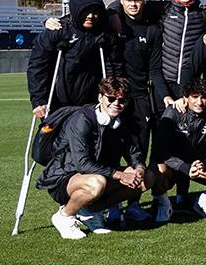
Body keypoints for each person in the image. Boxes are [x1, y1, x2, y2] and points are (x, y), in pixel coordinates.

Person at [37, 77, 153, 240]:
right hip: (65, 176)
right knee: (97, 183)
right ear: (100, 97)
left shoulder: (121, 122)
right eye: (111, 98)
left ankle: (90, 211)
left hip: (99, 174)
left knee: (147, 177)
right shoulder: (81, 120)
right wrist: (121, 175)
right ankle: (64, 216)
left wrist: (139, 168)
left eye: (122, 100)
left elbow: (134, 153)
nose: (116, 104)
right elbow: (82, 164)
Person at [106, 0, 165, 222]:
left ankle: (133, 203)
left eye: (138, 0)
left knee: (138, 152)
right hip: (114, 98)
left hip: (140, 98)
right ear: (121, 0)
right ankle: (109, 205)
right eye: (129, 0)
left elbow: (154, 69)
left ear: (144, 0)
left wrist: (166, 97)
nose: (133, 4)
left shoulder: (151, 29)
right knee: (109, 152)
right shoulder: (112, 23)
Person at [151, 79, 206, 221]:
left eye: (203, 97)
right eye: (195, 97)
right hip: (175, 167)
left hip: (201, 166)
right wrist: (184, 167)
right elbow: (160, 150)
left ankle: (203, 201)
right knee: (156, 167)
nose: (200, 102)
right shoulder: (173, 112)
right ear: (185, 98)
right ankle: (165, 205)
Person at [28, 0, 120, 118]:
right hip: (57, 99)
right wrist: (39, 100)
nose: (91, 16)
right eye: (86, 11)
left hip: (91, 99)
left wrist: (112, 92)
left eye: (95, 12)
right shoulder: (57, 30)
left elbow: (113, 65)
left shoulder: (104, 34)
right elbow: (38, 66)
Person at [158, 0, 206, 113]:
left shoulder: (202, 15)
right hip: (165, 80)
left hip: (189, 82)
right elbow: (132, 3)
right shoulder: (163, 9)